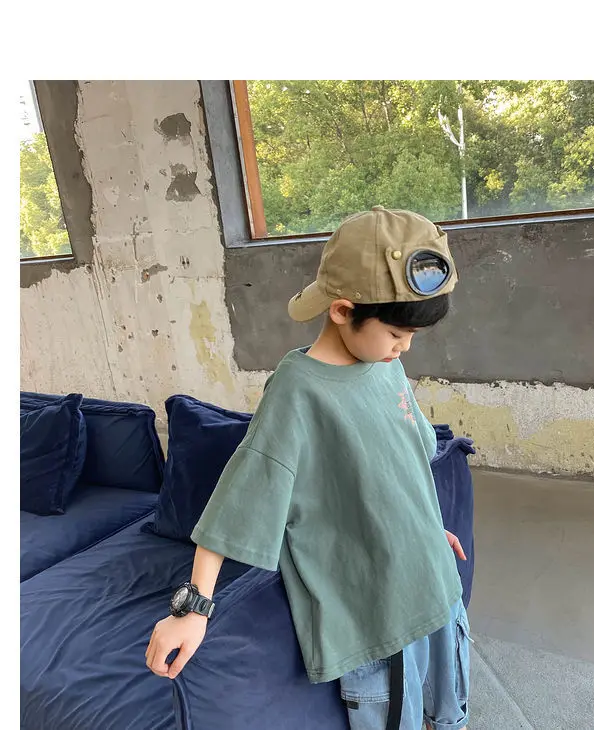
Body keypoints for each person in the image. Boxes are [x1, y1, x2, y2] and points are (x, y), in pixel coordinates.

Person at [146, 206, 472, 730]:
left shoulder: (385, 365)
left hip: (434, 584)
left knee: (450, 712)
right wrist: (194, 609)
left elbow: (401, 464)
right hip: (374, 619)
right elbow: (242, 497)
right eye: (396, 332)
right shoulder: (297, 391)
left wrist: (428, 529)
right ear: (342, 310)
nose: (405, 346)